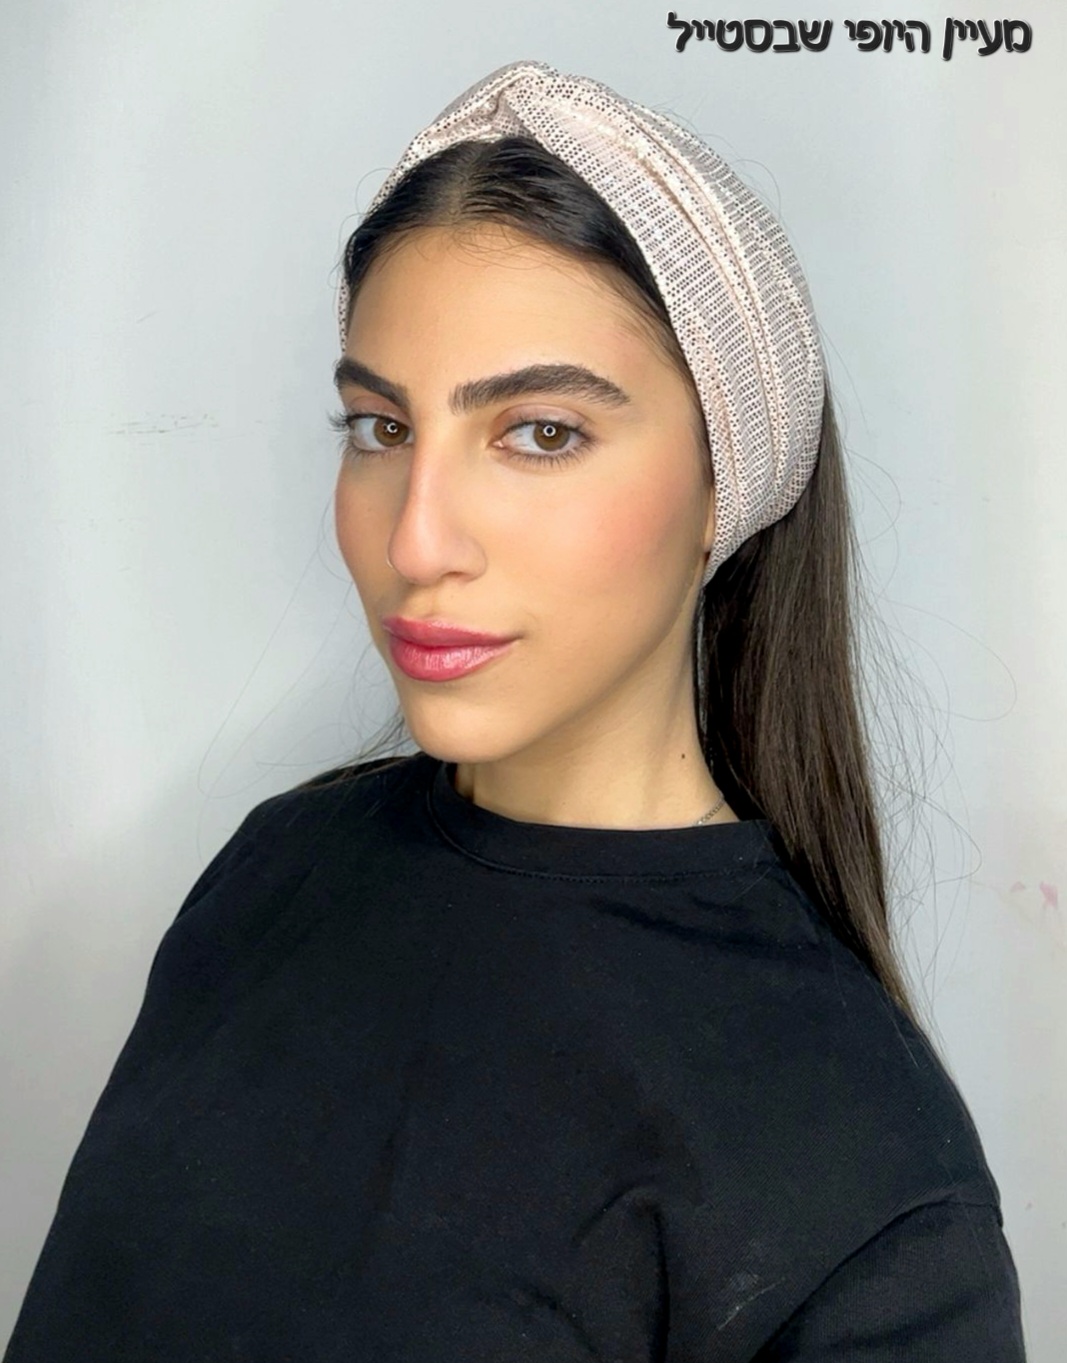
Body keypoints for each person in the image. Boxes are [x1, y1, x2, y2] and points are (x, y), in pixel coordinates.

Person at [4, 60, 1026, 1361]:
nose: (416, 540)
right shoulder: (275, 869)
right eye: (380, 429)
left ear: (728, 484)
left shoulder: (862, 1172)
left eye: (540, 433)